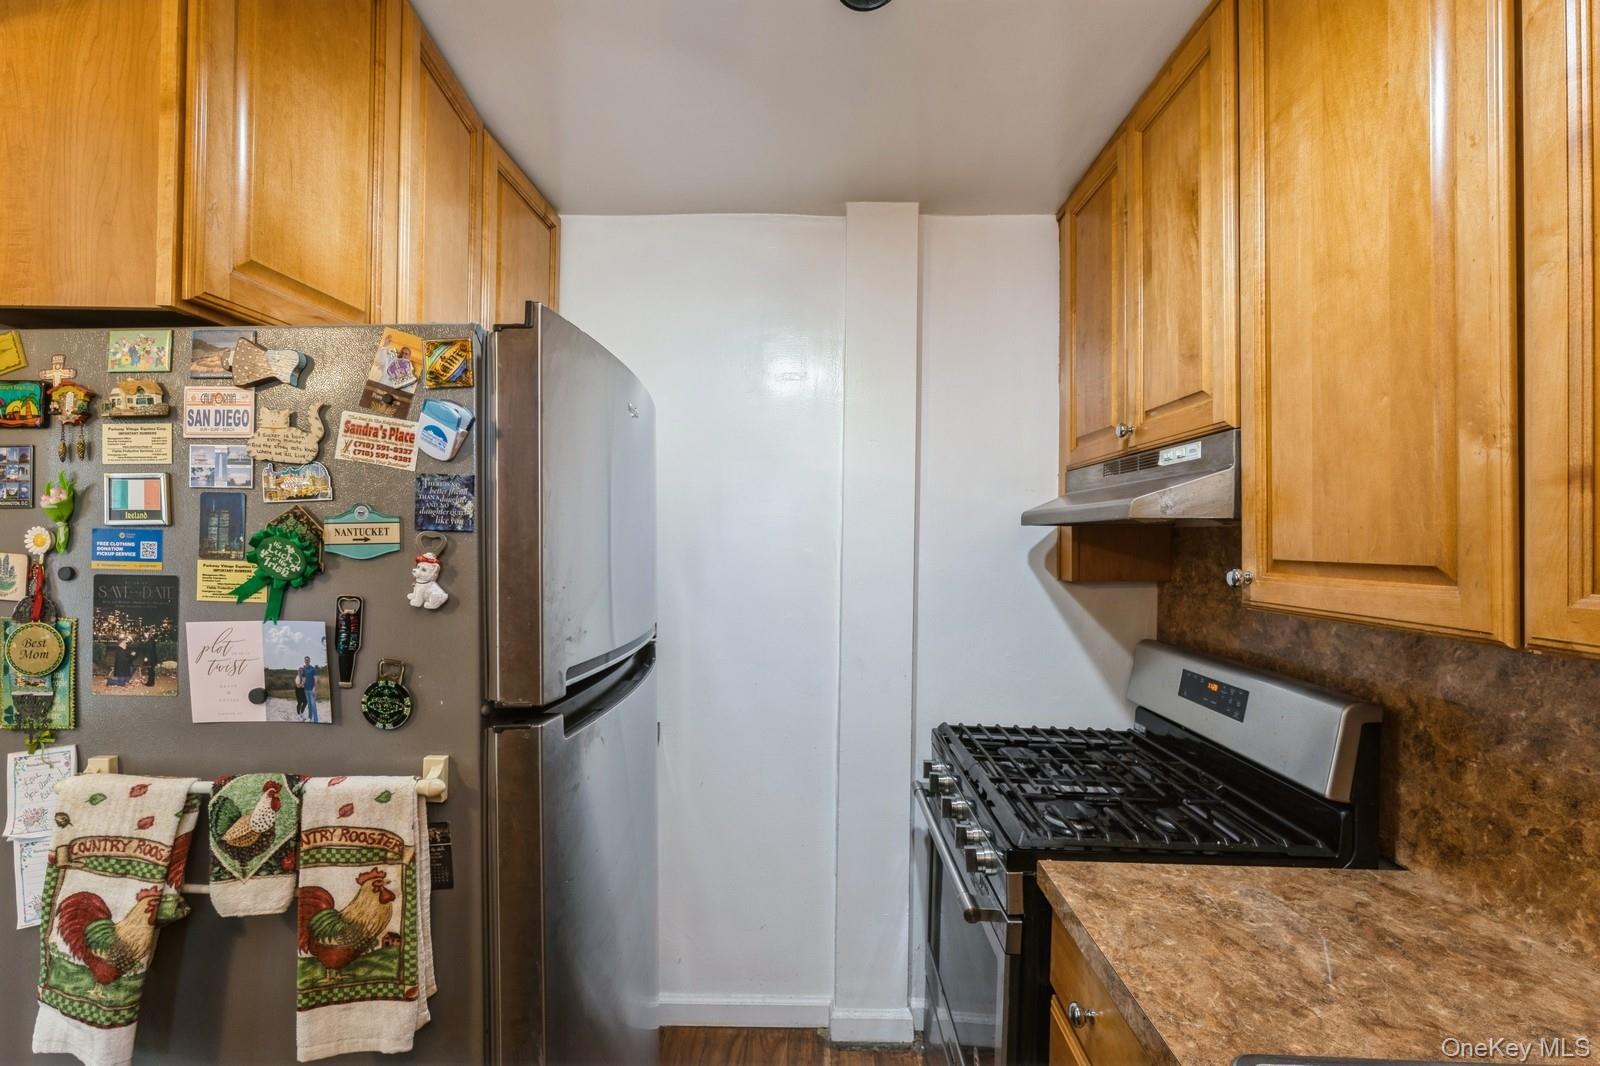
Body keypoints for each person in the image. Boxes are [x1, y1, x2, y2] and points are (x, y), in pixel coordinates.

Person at [297, 655, 319, 724]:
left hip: (312, 690)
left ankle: (316, 720)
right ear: (304, 661)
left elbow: (316, 679)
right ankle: (310, 718)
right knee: (309, 705)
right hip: (306, 690)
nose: (306, 661)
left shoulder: (313, 669)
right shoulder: (303, 669)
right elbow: (303, 678)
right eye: (305, 660)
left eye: (308, 660)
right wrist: (300, 684)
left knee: (313, 705)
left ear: (309, 661)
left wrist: (314, 688)